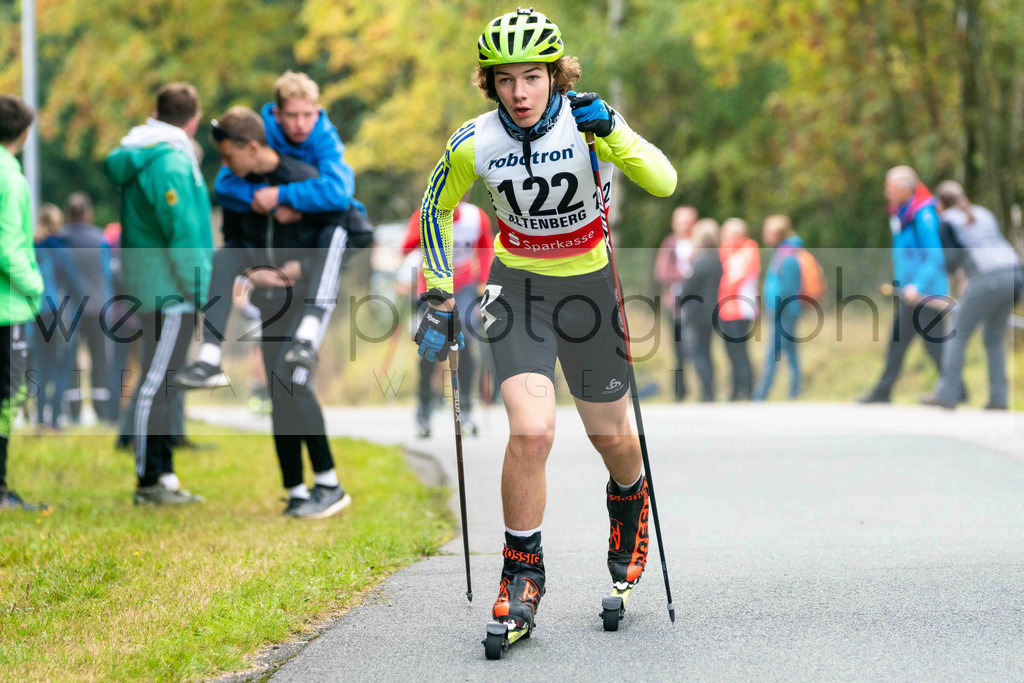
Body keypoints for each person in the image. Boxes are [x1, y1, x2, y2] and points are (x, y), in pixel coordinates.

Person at [415, 9, 676, 638]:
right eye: (505, 80)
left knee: (611, 438)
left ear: (556, 76)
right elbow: (435, 209)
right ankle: (521, 572)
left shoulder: (589, 121)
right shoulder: (473, 141)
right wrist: (438, 290)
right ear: (490, 84)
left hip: (590, 290)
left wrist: (614, 132)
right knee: (531, 431)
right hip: (518, 290)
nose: (520, 93)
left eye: (532, 77)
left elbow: (663, 182)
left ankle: (630, 503)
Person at [183, 107, 352, 519]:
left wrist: (300, 269)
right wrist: (253, 271)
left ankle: (330, 484)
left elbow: (347, 238)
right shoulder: (238, 190)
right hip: (268, 303)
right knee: (279, 392)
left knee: (294, 382)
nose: (225, 166)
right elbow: (235, 241)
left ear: (253, 147)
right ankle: (296, 490)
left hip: (303, 300)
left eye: (229, 156)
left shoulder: (305, 180)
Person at [178, 72, 372, 388]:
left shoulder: (324, 138)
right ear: (277, 114)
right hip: (274, 245)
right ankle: (210, 358)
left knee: (335, 234)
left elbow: (338, 193)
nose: (301, 124)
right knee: (224, 258)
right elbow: (226, 184)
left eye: (308, 115)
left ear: (318, 112)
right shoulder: (259, 136)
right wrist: (262, 200)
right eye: (292, 115)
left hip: (313, 235)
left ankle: (308, 335)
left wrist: (283, 196)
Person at [105, 82, 212, 505]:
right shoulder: (169, 160)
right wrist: (202, 290)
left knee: (165, 382)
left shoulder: (150, 151)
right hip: (171, 290)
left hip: (159, 286)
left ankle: (165, 475)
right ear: (194, 120)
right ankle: (148, 481)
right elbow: (182, 232)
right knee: (156, 383)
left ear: (156, 113)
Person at [920, 181, 1024, 410]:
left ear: (940, 204)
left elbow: (952, 261)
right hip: (1015, 274)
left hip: (988, 278)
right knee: (993, 336)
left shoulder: (947, 221)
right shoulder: (983, 212)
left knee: (957, 333)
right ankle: (999, 398)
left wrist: (962, 276)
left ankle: (947, 394)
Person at [859, 167, 953, 404]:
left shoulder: (923, 216)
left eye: (889, 188)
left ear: (904, 189)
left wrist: (917, 285)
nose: (886, 192)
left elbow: (935, 256)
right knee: (898, 341)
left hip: (926, 293)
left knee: (933, 345)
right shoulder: (901, 214)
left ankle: (956, 388)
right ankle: (883, 391)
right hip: (910, 292)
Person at [401, 200, 493, 437]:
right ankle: (424, 410)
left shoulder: (476, 217)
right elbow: (406, 247)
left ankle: (466, 409)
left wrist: (484, 280)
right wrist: (423, 231)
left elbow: (486, 248)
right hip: (432, 287)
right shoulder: (425, 215)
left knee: (466, 339)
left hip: (463, 286)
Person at [0, 94, 46, 511]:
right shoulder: (10, 178)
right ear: (26, 133)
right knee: (7, 397)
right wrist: (35, 285)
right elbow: (8, 248)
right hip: (7, 307)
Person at [60, 192, 116, 424]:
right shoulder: (100, 238)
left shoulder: (60, 238)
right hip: (98, 306)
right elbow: (108, 272)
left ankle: (73, 412)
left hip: (69, 309)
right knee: (99, 359)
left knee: (71, 359)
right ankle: (101, 411)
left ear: (67, 214)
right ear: (88, 213)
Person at [32, 203, 83, 430]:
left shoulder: (32, 249)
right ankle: (54, 419)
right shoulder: (61, 250)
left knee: (41, 365)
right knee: (61, 366)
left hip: (36, 313)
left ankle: (40, 419)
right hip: (60, 315)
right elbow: (75, 287)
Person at [753, 215, 803, 401]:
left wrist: (774, 308)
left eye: (768, 231)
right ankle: (795, 391)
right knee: (790, 352)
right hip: (783, 311)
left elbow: (787, 288)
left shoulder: (787, 256)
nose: (764, 235)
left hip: (784, 312)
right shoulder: (782, 253)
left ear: (777, 234)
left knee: (773, 353)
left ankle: (761, 394)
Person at [654, 206, 696, 400]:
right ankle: (680, 391)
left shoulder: (699, 242)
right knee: (678, 349)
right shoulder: (669, 244)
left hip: (697, 304)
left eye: (687, 221)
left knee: (697, 347)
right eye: (680, 222)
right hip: (675, 303)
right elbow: (661, 273)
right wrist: (685, 275)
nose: (684, 226)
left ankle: (705, 391)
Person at [678, 218, 723, 401]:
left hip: (697, 312)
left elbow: (688, 287)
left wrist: (680, 298)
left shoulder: (701, 259)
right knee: (706, 352)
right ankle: (709, 392)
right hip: (711, 311)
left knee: (697, 352)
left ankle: (707, 393)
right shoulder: (716, 258)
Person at [717, 217, 760, 400]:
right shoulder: (726, 250)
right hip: (726, 309)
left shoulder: (749, 249)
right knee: (730, 352)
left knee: (740, 351)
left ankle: (748, 390)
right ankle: (735, 390)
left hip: (741, 309)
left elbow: (736, 278)